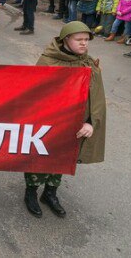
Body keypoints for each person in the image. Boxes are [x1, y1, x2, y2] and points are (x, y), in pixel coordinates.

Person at [24, 21, 106, 218]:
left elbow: (96, 98)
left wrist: (90, 122)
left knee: (63, 159)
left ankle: (50, 193)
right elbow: (34, 93)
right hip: (47, 122)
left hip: (75, 124)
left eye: (87, 40)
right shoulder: (48, 61)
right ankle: (31, 192)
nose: (84, 44)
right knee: (40, 157)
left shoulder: (88, 64)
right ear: (66, 39)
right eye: (79, 40)